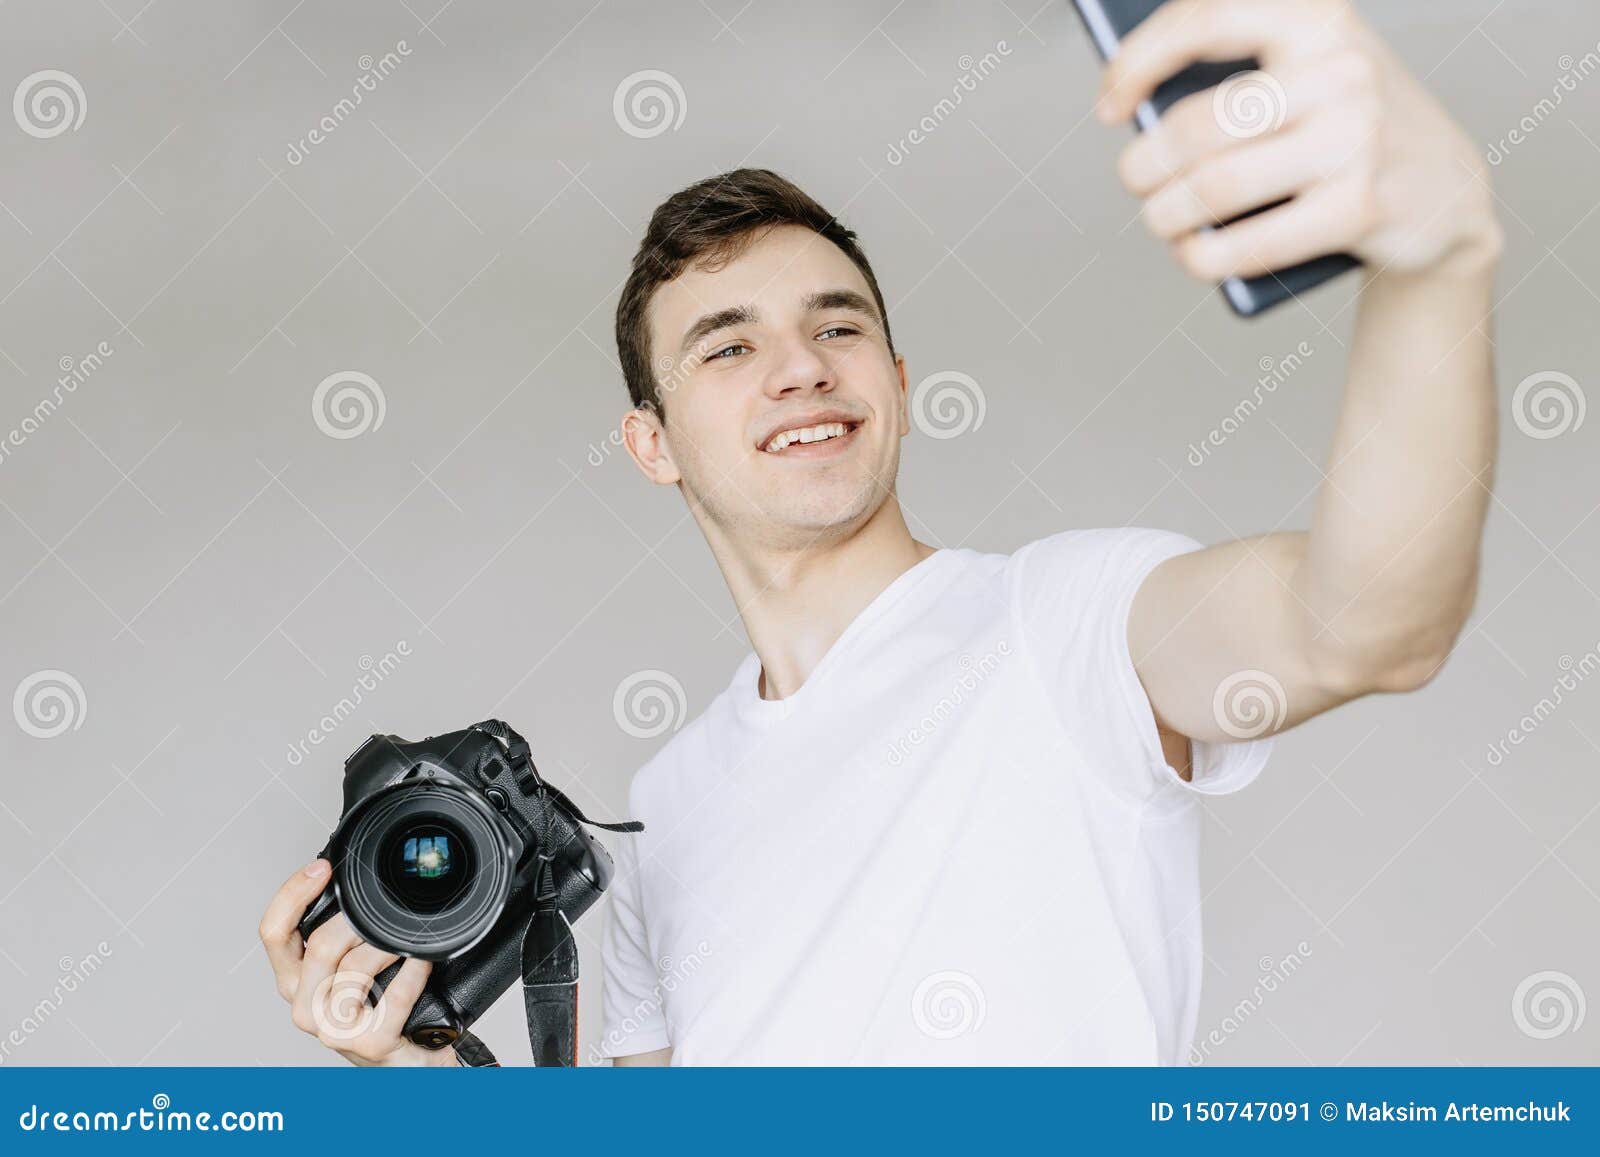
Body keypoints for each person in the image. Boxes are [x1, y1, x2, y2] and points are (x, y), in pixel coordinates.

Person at [259, 0, 1503, 1066]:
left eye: (836, 325)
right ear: (653, 442)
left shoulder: (1063, 620)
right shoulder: (667, 804)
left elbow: (1365, 627)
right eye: (730, 344)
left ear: (897, 384)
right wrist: (411, 1077)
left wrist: (1437, 260)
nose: (799, 366)